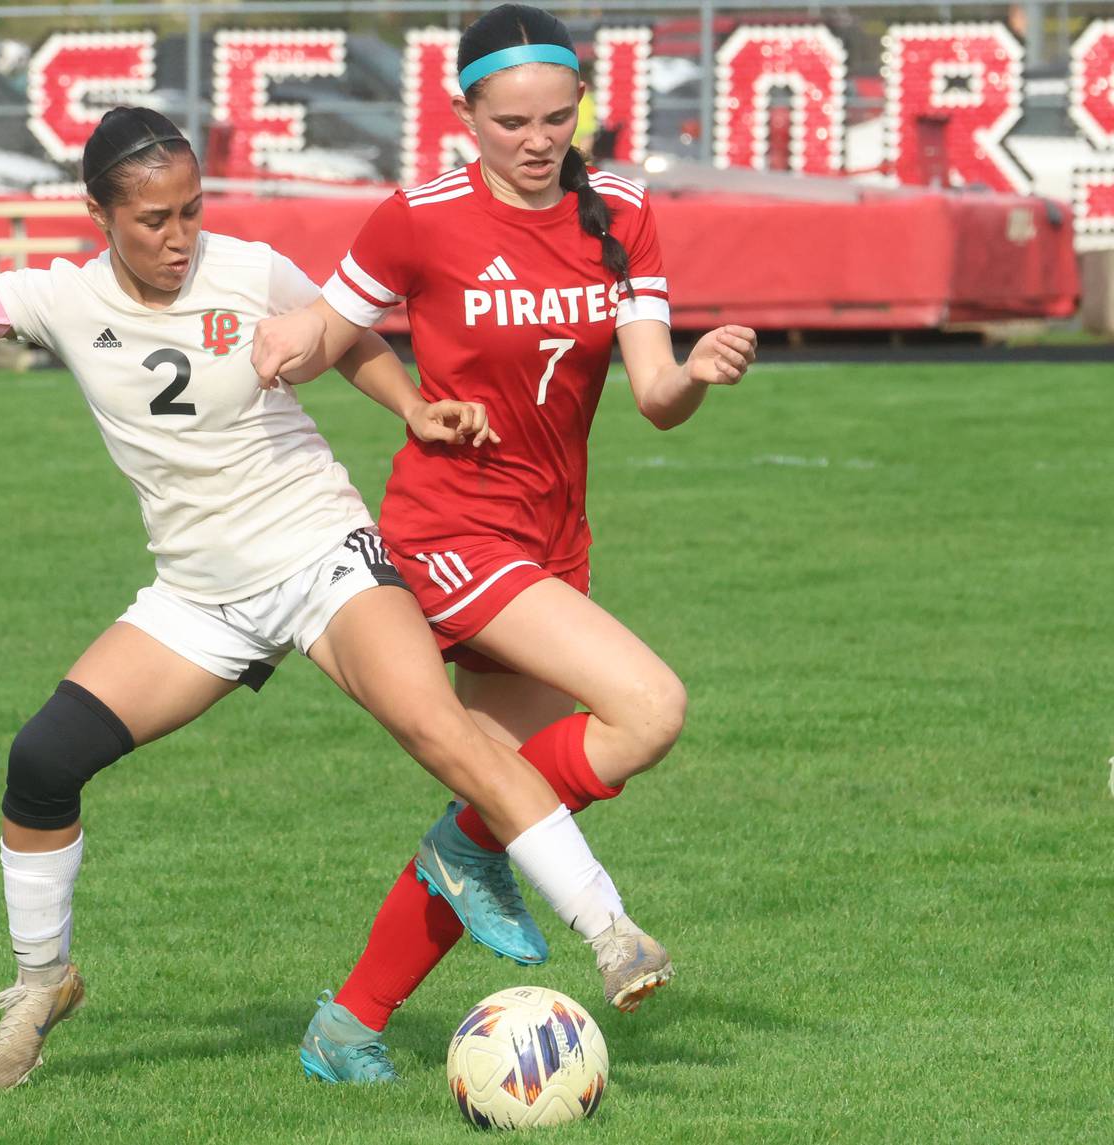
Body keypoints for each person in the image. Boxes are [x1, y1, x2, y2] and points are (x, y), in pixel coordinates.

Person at [0, 105, 652, 1090]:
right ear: (99, 212)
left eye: (191, 210)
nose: (179, 237)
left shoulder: (253, 268)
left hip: (324, 556)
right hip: (199, 595)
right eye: (153, 220)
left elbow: (346, 337)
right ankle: (41, 978)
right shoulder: (55, 295)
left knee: (438, 725)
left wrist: (411, 407)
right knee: (42, 760)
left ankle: (609, 929)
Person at [253, 4, 757, 1083]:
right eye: (514, 121)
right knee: (650, 706)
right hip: (447, 529)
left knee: (503, 791)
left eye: (558, 118)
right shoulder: (418, 215)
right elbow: (333, 334)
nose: (539, 141)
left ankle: (349, 1023)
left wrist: (696, 374)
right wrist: (288, 338)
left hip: (552, 535)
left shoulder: (618, 205)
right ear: (465, 113)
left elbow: (655, 393)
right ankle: (542, 888)